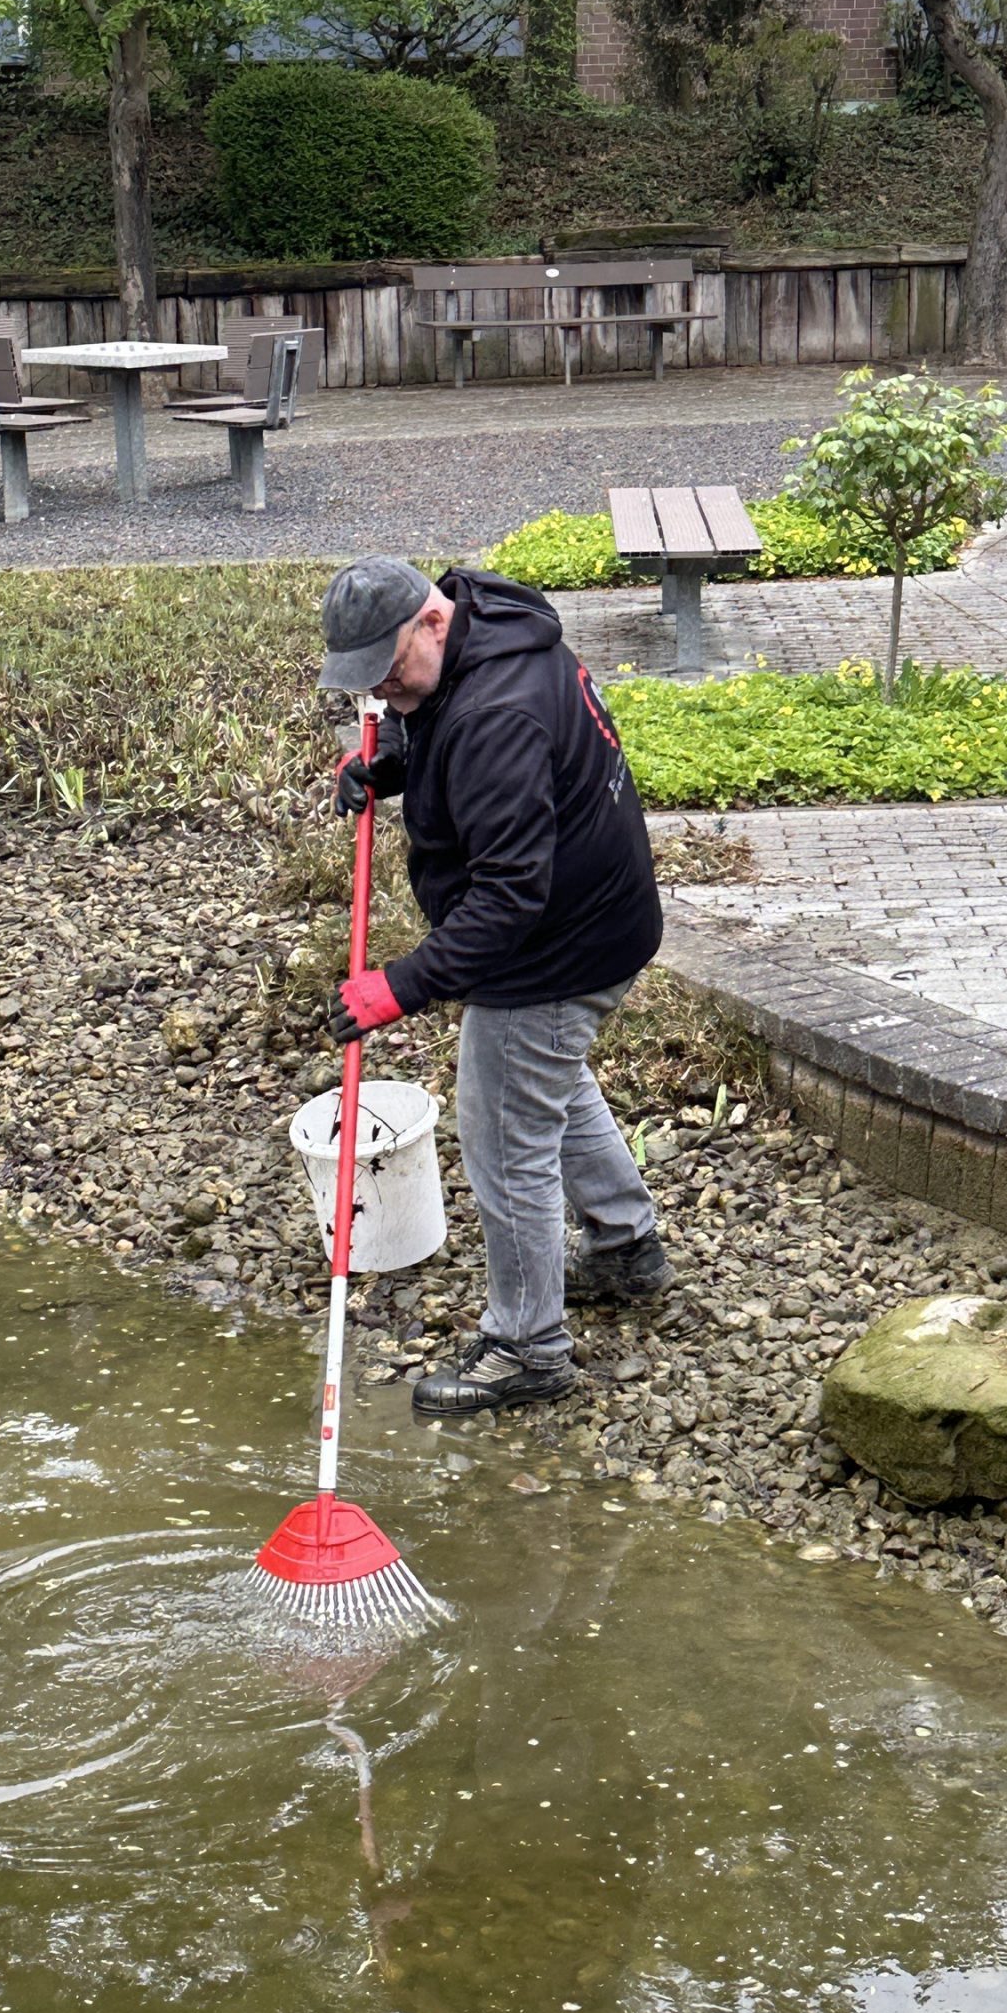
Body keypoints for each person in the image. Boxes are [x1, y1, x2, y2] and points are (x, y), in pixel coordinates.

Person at [316, 555, 670, 1416]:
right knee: (545, 1082)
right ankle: (626, 1249)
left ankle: (527, 1346)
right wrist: (393, 762)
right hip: (606, 915)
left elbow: (510, 898)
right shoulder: (486, 619)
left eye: (390, 671)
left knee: (505, 1137)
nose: (385, 691)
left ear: (431, 622)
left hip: (555, 946)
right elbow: (430, 715)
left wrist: (400, 986)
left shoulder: (497, 715)